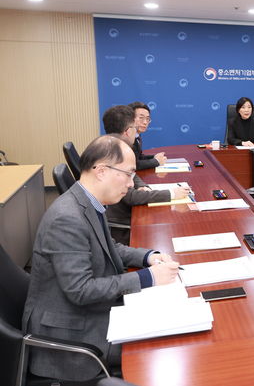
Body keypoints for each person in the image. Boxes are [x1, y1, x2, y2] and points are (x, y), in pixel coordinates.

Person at [22, 135, 180, 381]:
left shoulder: (87, 201)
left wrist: (148, 256)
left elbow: (108, 247)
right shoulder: (67, 218)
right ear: (101, 171)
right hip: (71, 335)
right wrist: (147, 278)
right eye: (128, 174)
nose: (131, 184)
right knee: (162, 346)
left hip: (84, 315)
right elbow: (81, 290)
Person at [103, 105, 189, 245]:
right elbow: (131, 197)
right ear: (128, 131)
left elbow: (132, 174)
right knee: (172, 226)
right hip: (122, 224)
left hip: (123, 212)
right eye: (134, 127)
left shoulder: (114, 147)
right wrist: (172, 194)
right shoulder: (115, 155)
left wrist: (142, 186)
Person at [128, 101, 167, 170]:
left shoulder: (137, 135)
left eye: (147, 119)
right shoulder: (126, 137)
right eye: (141, 118)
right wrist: (156, 161)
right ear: (130, 118)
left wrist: (154, 157)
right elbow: (132, 164)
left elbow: (138, 157)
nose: (145, 122)